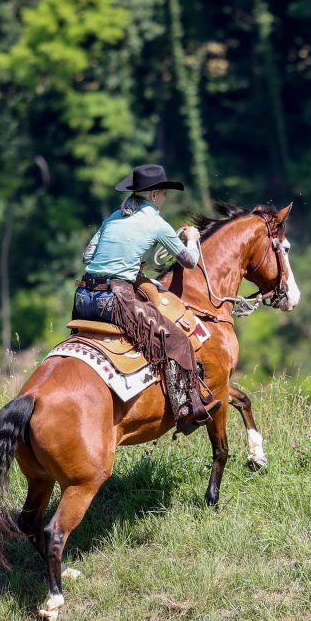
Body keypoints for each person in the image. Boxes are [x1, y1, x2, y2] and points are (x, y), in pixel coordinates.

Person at [73, 164, 221, 435]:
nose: (164, 199)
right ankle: (186, 410)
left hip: (83, 298)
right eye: (163, 194)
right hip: (114, 300)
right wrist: (192, 238)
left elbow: (88, 257)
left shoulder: (115, 215)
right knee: (177, 342)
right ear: (154, 196)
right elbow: (189, 262)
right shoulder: (157, 224)